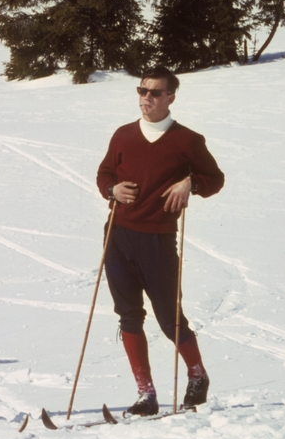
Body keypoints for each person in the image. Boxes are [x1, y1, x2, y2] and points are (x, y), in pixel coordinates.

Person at [95, 67, 225, 415]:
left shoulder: (187, 140)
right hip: (118, 237)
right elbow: (105, 172)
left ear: (171, 97)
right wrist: (111, 189)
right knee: (128, 316)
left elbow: (215, 179)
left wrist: (190, 184)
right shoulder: (123, 135)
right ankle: (146, 394)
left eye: (155, 93)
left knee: (170, 318)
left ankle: (197, 374)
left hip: (158, 240)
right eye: (142, 91)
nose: (146, 98)